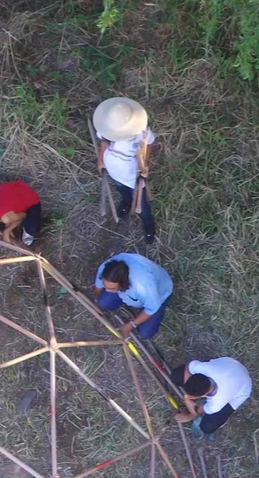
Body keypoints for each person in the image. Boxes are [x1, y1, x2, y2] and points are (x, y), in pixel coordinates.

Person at [93, 96, 156, 241]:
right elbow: (103, 141)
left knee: (142, 207)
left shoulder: (141, 133)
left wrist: (144, 165)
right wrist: (101, 158)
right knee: (121, 190)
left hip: (132, 175)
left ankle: (149, 227)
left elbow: (149, 144)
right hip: (114, 171)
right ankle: (126, 202)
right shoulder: (106, 127)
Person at [95, 253, 171, 339]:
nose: (108, 290)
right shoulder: (106, 270)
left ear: (124, 283)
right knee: (103, 303)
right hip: (133, 291)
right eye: (106, 286)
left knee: (145, 334)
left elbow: (151, 308)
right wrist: (97, 301)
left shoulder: (143, 285)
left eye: (112, 288)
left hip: (159, 292)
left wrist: (130, 325)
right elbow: (98, 287)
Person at [177, 356, 252, 437]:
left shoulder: (216, 404)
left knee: (207, 427)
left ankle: (222, 420)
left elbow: (198, 411)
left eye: (191, 396)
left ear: (203, 395)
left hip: (243, 388)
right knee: (175, 376)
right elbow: (189, 365)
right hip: (232, 366)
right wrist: (187, 397)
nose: (187, 396)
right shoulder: (206, 369)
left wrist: (189, 416)